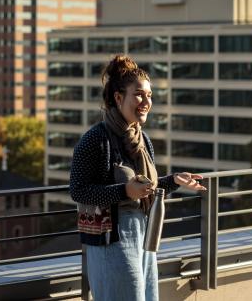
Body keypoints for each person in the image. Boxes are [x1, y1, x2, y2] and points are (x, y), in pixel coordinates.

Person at [69, 54, 205, 301]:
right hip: (111, 242)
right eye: (139, 94)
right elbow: (78, 190)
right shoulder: (95, 139)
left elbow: (145, 189)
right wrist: (124, 191)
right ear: (119, 98)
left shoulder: (143, 140)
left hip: (143, 237)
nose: (146, 101)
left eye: (150, 95)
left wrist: (173, 181)